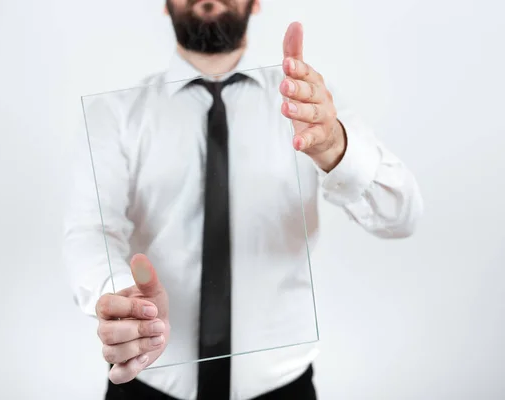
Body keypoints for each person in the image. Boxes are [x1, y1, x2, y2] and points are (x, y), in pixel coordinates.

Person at [64, 0, 424, 399]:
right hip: (147, 384)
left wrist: (336, 147)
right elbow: (91, 230)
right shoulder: (115, 114)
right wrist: (123, 296)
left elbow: (401, 215)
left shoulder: (311, 104)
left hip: (283, 389)